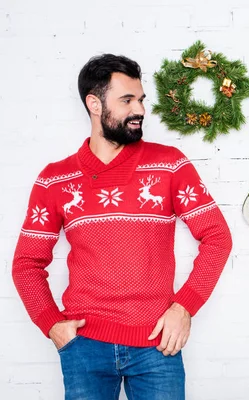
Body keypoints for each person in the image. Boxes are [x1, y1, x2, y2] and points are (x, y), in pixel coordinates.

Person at [12, 54, 233, 400]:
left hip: (158, 345)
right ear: (94, 104)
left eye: (141, 99)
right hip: (84, 347)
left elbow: (217, 237)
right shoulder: (55, 180)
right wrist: (51, 324)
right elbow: (27, 263)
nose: (140, 110)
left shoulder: (169, 165)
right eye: (127, 100)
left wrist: (184, 306)